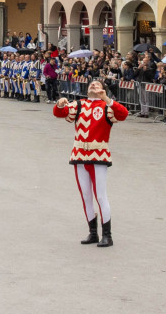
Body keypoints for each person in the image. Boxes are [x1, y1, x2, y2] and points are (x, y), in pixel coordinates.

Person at [53, 79, 128, 247]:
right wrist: (59, 104)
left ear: (103, 90)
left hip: (99, 157)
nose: (93, 85)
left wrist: (106, 99)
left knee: (100, 196)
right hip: (79, 156)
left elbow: (123, 114)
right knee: (86, 196)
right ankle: (93, 233)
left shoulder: (107, 106)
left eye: (97, 84)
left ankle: (107, 235)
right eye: (91, 84)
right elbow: (60, 113)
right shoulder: (79, 105)